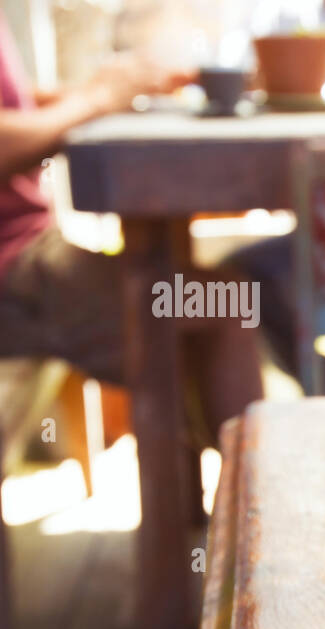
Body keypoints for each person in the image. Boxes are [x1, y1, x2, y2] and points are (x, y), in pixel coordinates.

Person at [0, 11, 263, 443]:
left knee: (203, 299)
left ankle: (215, 496)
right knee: (222, 305)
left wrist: (98, 94)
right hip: (14, 265)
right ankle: (243, 499)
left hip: (29, 247)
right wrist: (96, 100)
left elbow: (15, 104)